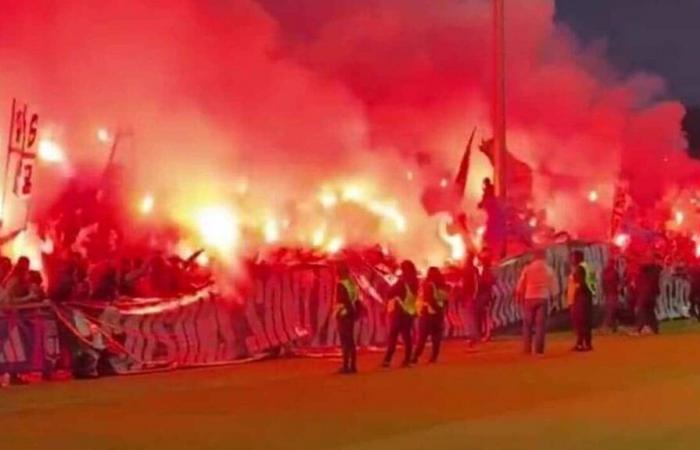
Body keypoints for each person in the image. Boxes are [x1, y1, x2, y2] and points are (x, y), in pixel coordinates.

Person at [516, 249, 556, 355]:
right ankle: (539, 350)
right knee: (540, 325)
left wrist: (519, 296)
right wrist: (553, 298)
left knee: (527, 325)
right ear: (544, 256)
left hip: (529, 297)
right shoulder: (548, 269)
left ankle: (527, 349)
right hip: (543, 297)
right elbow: (553, 285)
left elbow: (520, 284)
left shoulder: (527, 269)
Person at [382, 260, 419, 368]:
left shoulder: (402, 281)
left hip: (400, 312)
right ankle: (407, 360)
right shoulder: (415, 280)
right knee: (407, 336)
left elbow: (391, 293)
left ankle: (387, 360)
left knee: (393, 336)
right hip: (409, 311)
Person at [412, 267, 448, 363]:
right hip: (438, 314)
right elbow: (445, 300)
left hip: (427, 313)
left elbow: (425, 298)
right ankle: (434, 357)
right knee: (436, 337)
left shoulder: (427, 284)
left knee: (422, 337)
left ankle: (415, 357)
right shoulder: (442, 285)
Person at [334, 261, 360, 374]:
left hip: (344, 315)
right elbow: (356, 299)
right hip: (351, 314)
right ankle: (353, 366)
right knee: (351, 341)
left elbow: (344, 300)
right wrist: (355, 313)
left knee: (345, 341)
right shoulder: (352, 283)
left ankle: (345, 366)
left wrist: (341, 312)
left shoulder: (341, 284)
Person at [567, 251, 594, 351]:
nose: (571, 260)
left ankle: (582, 343)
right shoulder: (588, 267)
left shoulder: (580, 269)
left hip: (580, 298)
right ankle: (585, 343)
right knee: (585, 321)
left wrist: (577, 291)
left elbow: (579, 284)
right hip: (586, 298)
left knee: (581, 321)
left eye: (572, 258)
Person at [634, 261, 662, 334]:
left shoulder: (645, 275)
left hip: (645, 294)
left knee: (642, 310)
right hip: (651, 295)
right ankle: (654, 329)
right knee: (650, 312)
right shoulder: (655, 273)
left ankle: (641, 328)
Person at [475, 254, 495, 342]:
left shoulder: (487, 271)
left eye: (477, 260)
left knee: (487, 316)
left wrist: (481, 282)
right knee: (479, 316)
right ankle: (480, 334)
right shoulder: (476, 271)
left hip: (485, 297)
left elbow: (492, 280)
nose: (475, 262)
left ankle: (488, 334)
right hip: (478, 297)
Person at [462, 254, 479, 347]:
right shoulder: (471, 269)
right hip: (468, 296)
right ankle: (473, 335)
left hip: (469, 296)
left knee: (469, 317)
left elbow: (475, 283)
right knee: (470, 317)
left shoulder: (470, 270)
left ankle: (472, 336)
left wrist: (474, 295)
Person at [601, 256, 621, 332]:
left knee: (611, 309)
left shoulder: (613, 272)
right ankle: (612, 326)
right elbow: (603, 282)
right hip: (610, 293)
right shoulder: (608, 272)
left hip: (612, 293)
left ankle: (607, 325)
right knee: (611, 309)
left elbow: (617, 282)